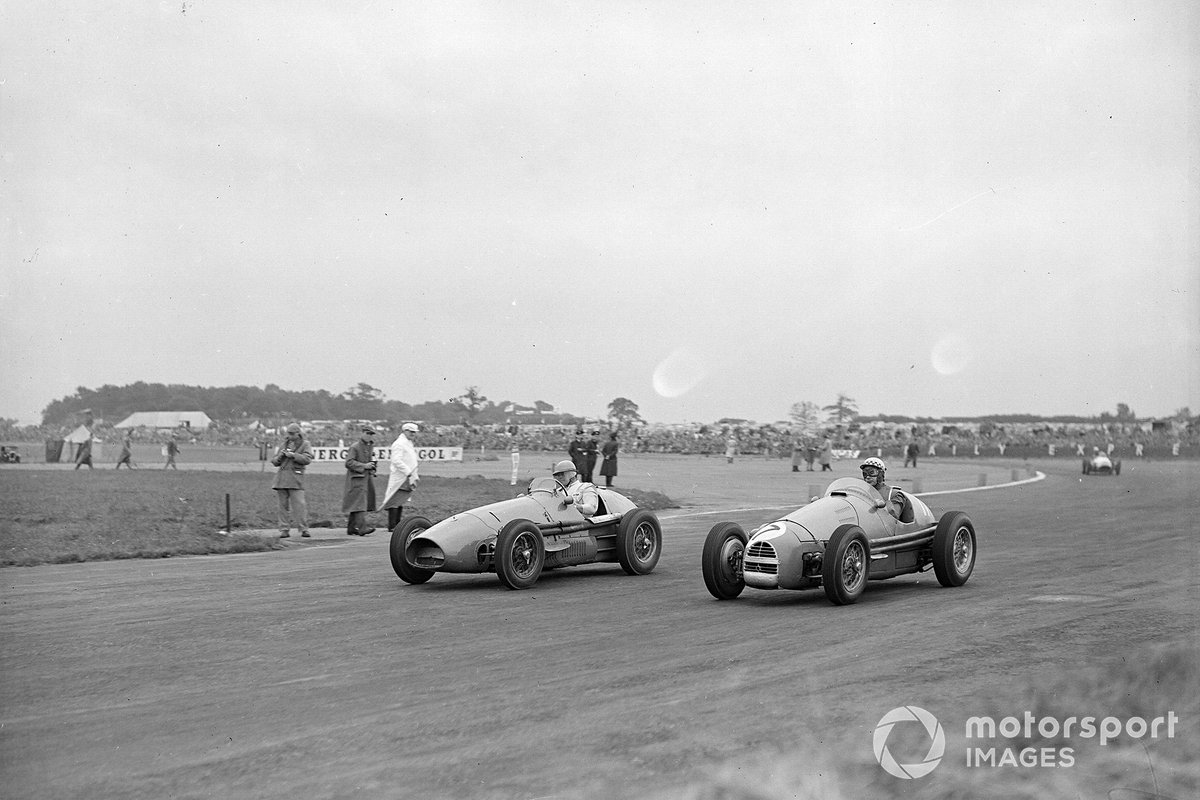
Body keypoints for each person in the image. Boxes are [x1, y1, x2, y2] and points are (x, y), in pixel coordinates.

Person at [271, 423, 314, 538]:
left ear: (298, 433)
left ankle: (303, 528)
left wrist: (293, 455)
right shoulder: (283, 444)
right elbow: (274, 461)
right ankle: (284, 529)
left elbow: (308, 459)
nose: (289, 436)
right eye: (288, 433)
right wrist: (280, 457)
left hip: (296, 479)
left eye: (292, 434)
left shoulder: (305, 444)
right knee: (282, 506)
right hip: (282, 479)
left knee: (300, 505)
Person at [383, 422, 421, 532]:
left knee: (400, 499)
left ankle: (397, 524)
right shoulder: (399, 444)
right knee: (394, 500)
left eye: (414, 432)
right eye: (411, 432)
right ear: (405, 431)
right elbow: (396, 460)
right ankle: (392, 525)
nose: (413, 434)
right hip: (400, 476)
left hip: (407, 476)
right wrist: (408, 471)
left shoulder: (408, 443)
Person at [343, 426, 378, 536]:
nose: (370, 436)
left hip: (365, 478)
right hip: (356, 479)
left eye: (371, 434)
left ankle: (351, 528)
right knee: (360, 503)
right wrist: (364, 466)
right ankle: (362, 528)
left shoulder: (370, 446)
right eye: (368, 433)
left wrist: (372, 468)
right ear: (362, 433)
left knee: (357, 502)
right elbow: (348, 462)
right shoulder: (355, 447)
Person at [859, 457, 912, 522]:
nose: (867, 477)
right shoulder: (861, 493)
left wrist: (884, 505)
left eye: (871, 472)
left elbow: (894, 516)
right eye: (864, 473)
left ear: (880, 474)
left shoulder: (894, 494)